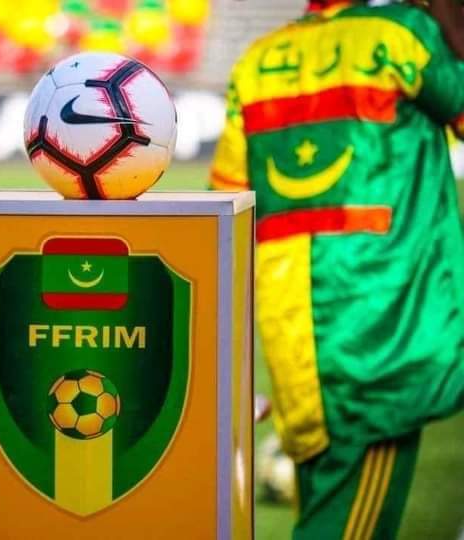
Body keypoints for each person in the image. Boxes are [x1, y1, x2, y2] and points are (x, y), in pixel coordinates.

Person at [210, 1, 464, 538]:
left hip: (290, 331)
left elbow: (224, 204)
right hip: (377, 326)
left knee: (328, 497)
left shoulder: (257, 61)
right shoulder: (400, 35)